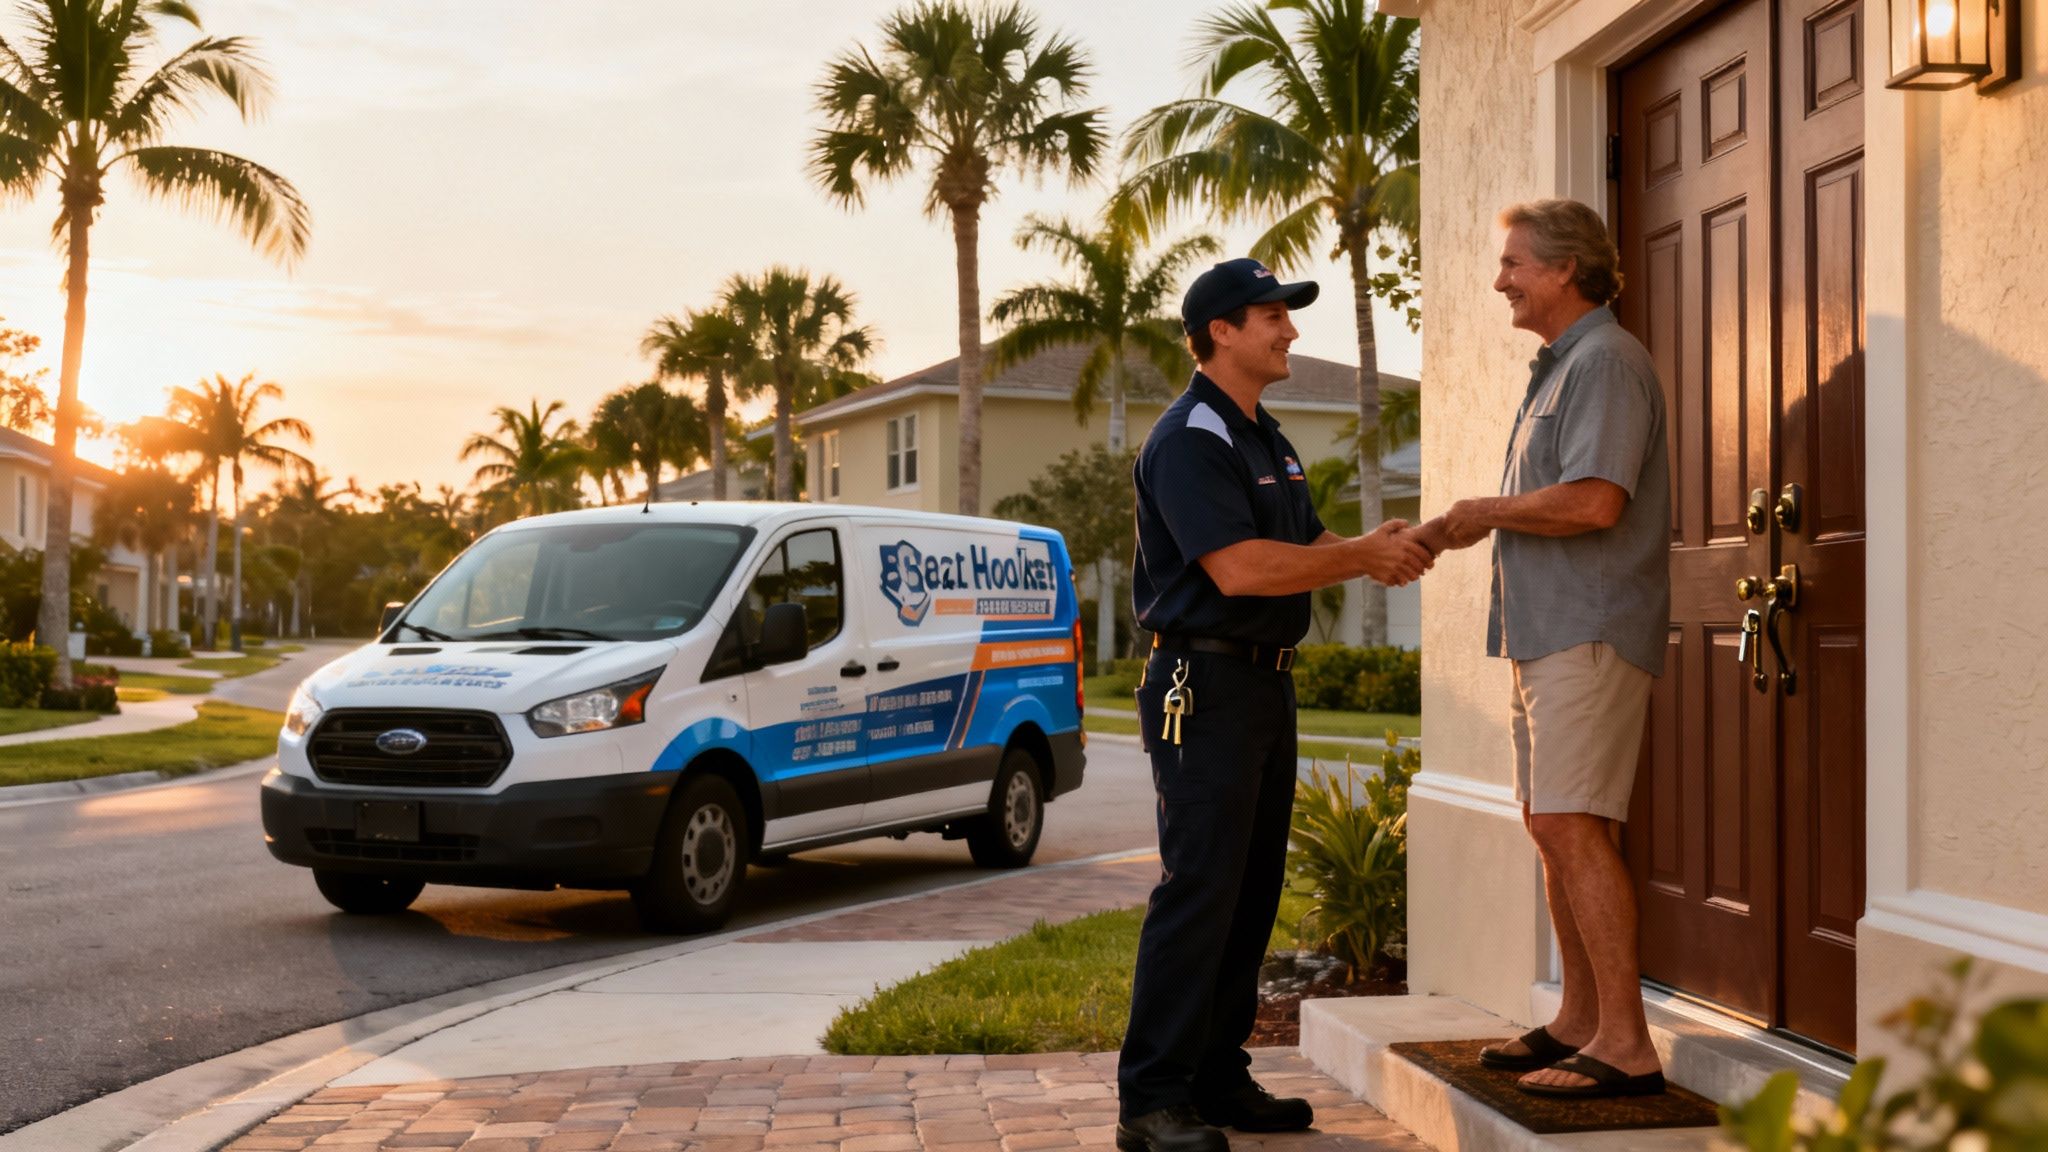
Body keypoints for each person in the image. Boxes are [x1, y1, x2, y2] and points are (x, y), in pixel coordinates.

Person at [1115, 258, 1435, 1152]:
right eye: (1271, 316)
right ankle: (1150, 1100)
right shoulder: (1190, 439)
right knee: (1201, 888)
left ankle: (1216, 1075)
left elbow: (1304, 541)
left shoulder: (1266, 437)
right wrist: (1359, 556)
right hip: (1203, 685)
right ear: (1220, 329)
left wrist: (1383, 548)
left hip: (1262, 682)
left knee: (1250, 893)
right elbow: (1241, 567)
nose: (1289, 331)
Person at [1418, 198, 1671, 1100]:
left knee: (1573, 825)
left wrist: (1481, 513)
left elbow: (1597, 501)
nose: (1501, 281)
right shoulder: (1561, 367)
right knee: (1552, 824)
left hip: (1589, 631)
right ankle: (1578, 1018)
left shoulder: (1604, 362)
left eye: (1515, 264)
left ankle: (1629, 1047)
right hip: (1545, 631)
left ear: (1566, 269)